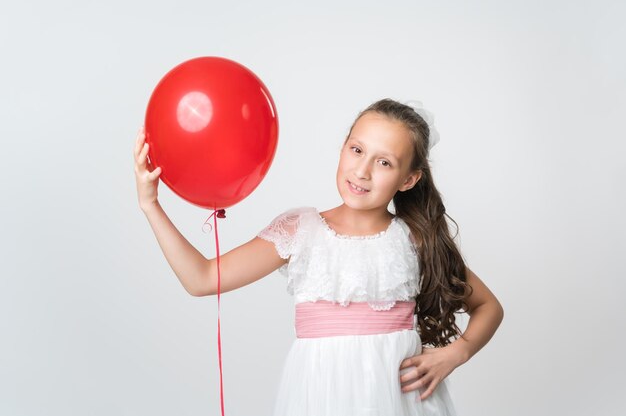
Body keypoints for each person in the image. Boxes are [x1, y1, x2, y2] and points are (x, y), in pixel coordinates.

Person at [133, 98, 504, 415]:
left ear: (408, 179)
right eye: (357, 150)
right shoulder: (301, 230)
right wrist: (151, 206)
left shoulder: (415, 238)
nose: (362, 171)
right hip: (321, 396)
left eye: (384, 162)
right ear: (343, 148)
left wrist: (458, 352)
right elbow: (201, 279)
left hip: (399, 400)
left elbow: (488, 306)